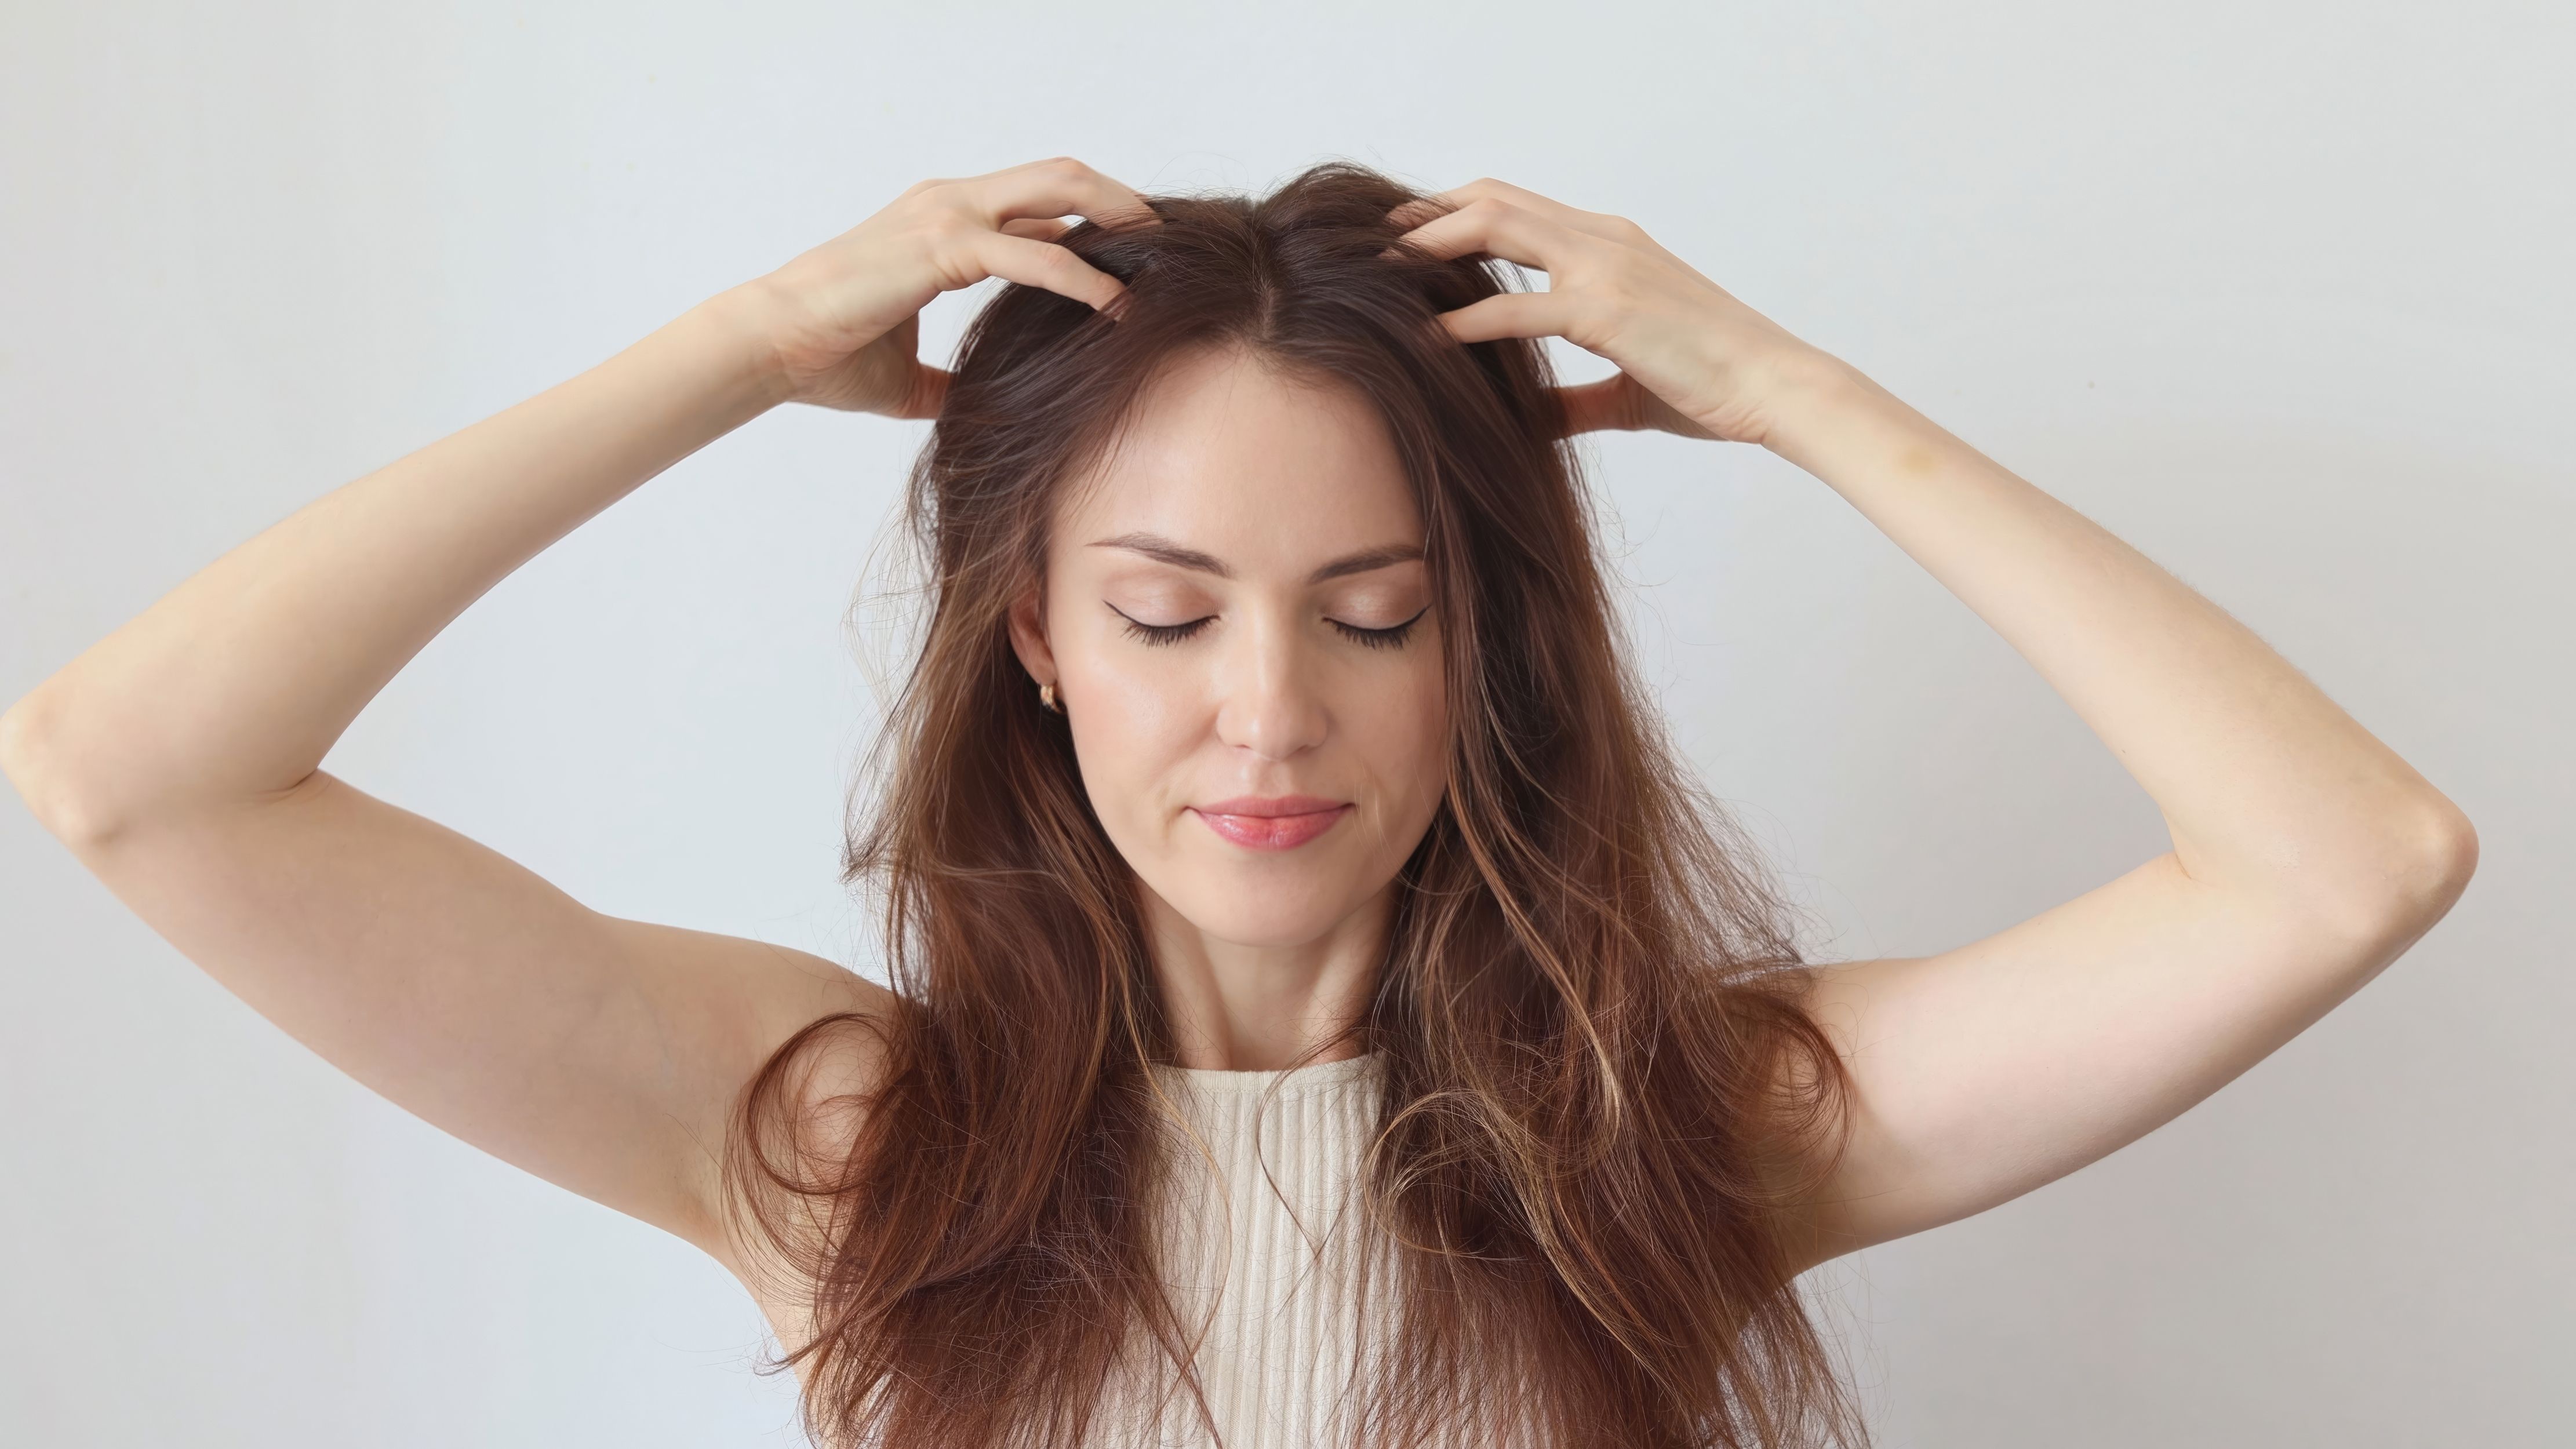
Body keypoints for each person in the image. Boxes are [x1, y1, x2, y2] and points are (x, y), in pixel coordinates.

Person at [0, 157, 2477, 1449]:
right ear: (1037, 641)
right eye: (1171, 616)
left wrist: (1791, 392)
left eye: (1376, 610)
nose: (1268, 713)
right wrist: (743, 346)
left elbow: (2344, 858)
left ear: (1484, 645)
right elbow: (131, 770)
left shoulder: (1668, 1129)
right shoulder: (850, 1141)